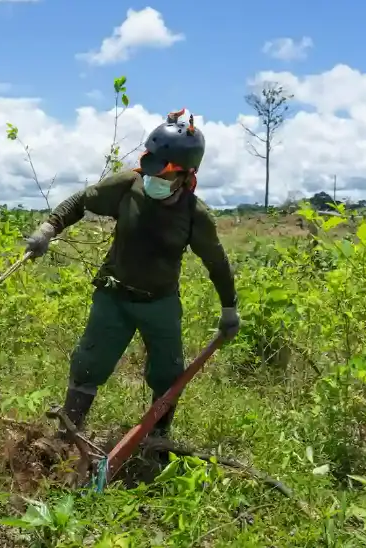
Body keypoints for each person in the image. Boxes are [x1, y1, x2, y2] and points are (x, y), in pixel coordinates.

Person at [24, 108, 240, 439]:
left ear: (185, 175)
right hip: (114, 295)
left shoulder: (194, 215)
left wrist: (229, 309)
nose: (153, 178)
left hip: (160, 303)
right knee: (87, 365)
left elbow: (217, 263)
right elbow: (81, 201)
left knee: (168, 374)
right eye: (151, 167)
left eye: (164, 174)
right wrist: (47, 229)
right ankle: (66, 437)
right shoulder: (129, 185)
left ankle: (156, 439)